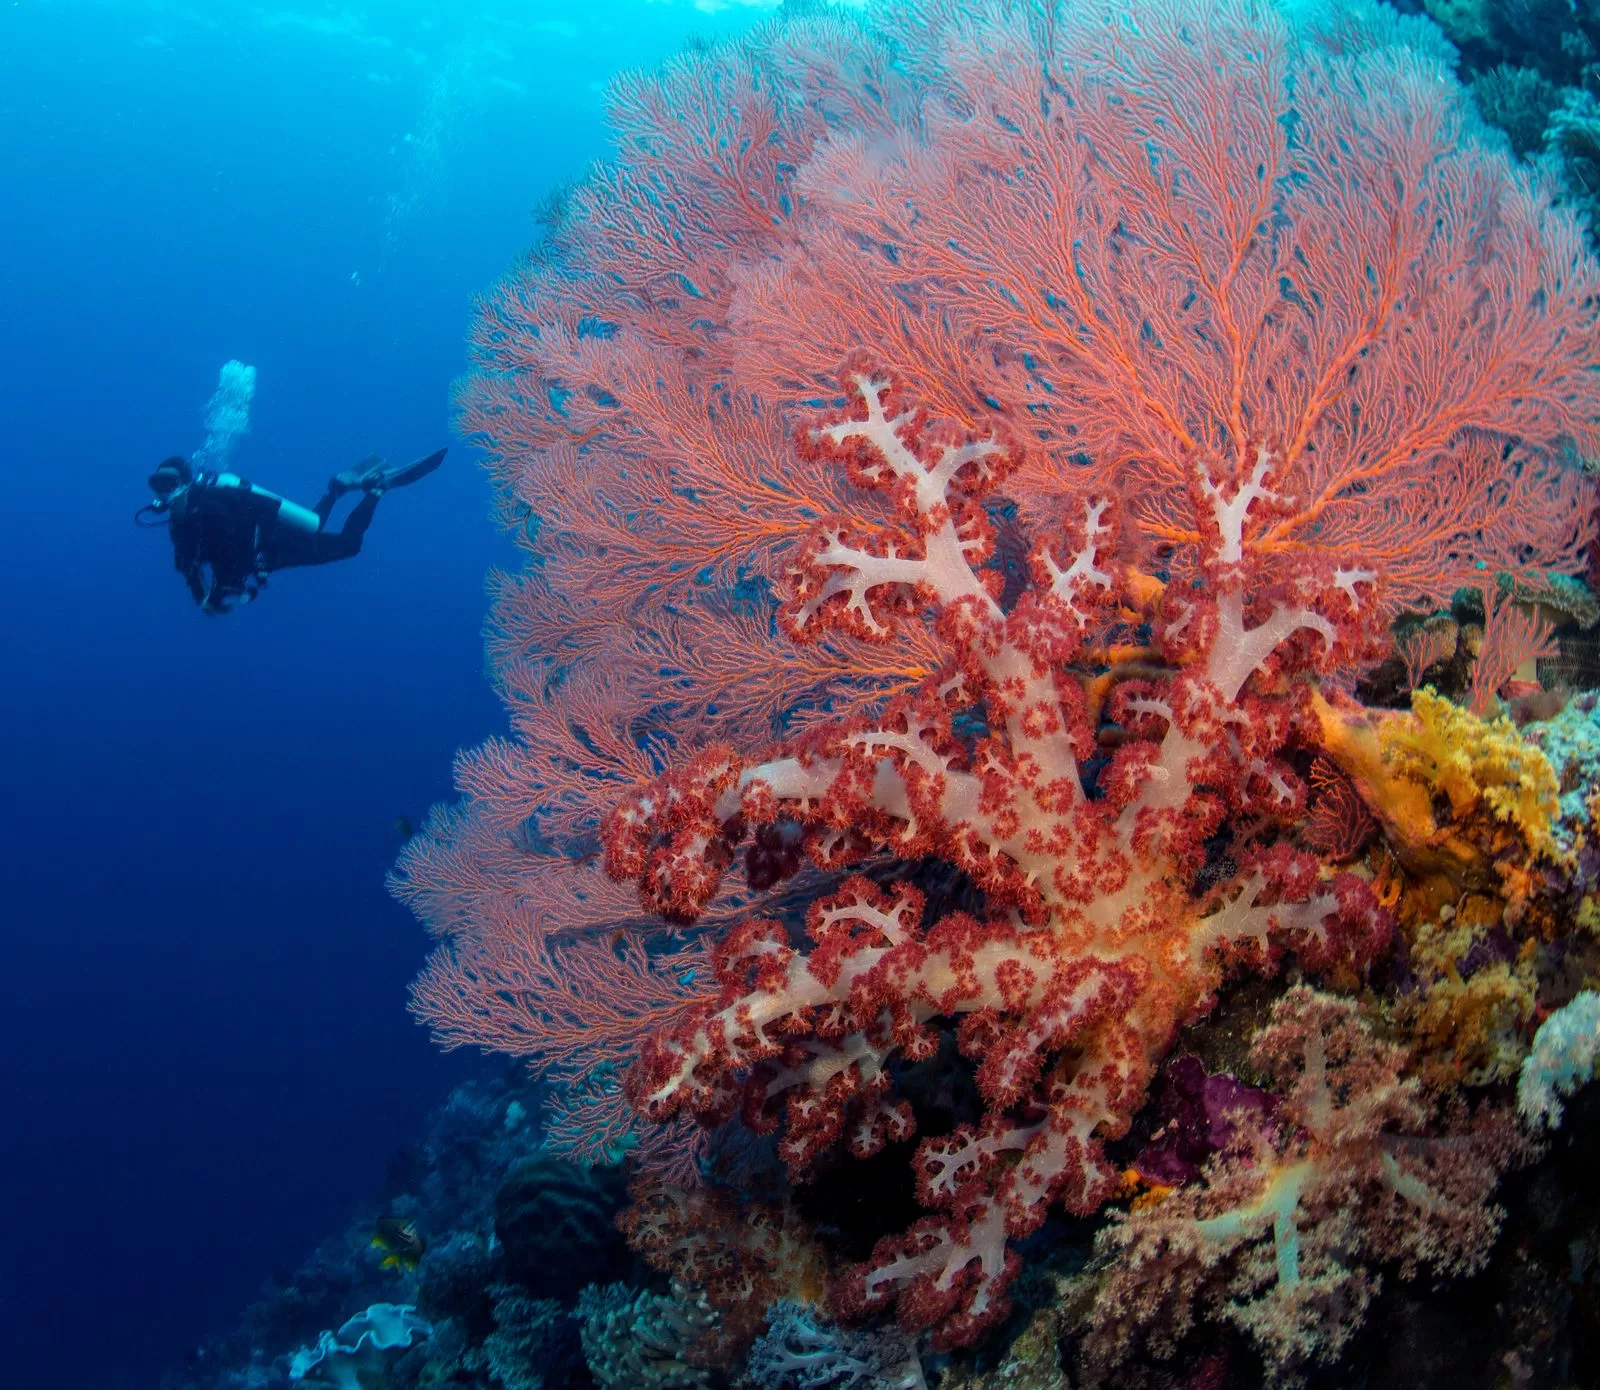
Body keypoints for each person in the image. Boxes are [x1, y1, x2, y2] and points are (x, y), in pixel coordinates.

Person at [138, 449, 446, 614]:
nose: (164, 492)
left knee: (348, 546)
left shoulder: (211, 505)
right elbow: (187, 566)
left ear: (185, 483)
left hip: (272, 545)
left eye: (169, 484)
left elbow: (232, 549)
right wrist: (203, 598)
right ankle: (336, 489)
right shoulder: (179, 526)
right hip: (266, 553)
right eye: (158, 485)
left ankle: (376, 489)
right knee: (314, 523)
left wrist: (218, 592)